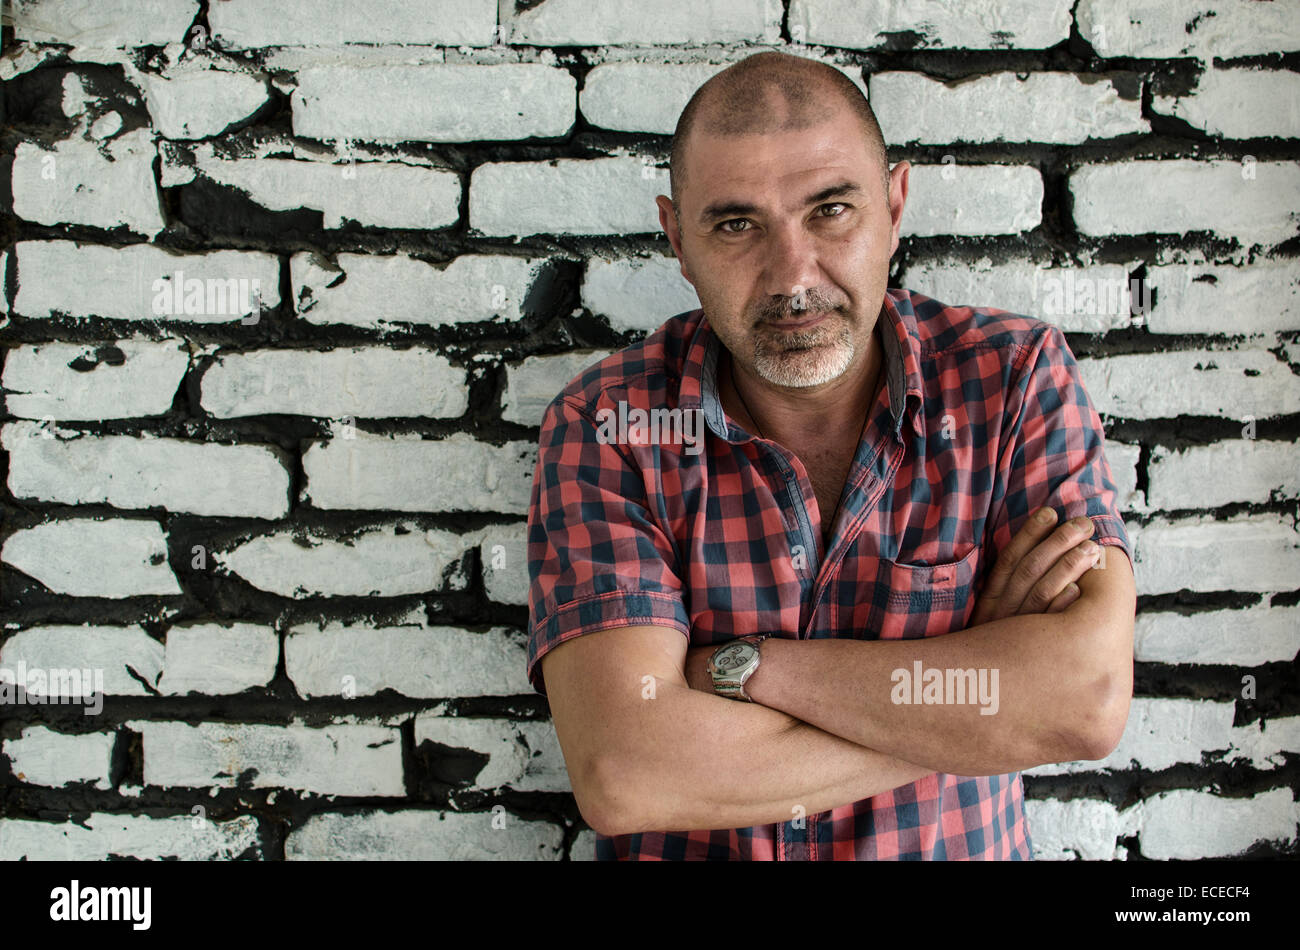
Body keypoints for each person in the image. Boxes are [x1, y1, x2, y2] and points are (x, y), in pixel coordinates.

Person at [525, 51, 1136, 860]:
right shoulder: (611, 423)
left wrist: (744, 672)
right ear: (676, 236)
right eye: (737, 224)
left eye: (831, 210)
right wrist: (973, 709)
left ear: (895, 203)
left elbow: (1083, 700)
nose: (793, 276)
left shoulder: (1012, 382)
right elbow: (627, 775)